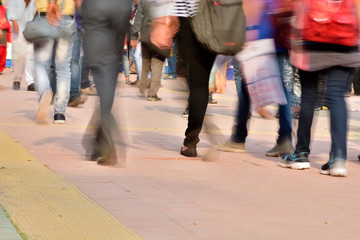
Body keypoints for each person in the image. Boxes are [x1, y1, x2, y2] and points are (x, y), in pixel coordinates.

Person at [278, 0, 360, 177]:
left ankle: (301, 153)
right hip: (344, 39)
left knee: (308, 95)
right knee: (337, 96)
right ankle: (338, 158)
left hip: (311, 38)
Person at [219, 0, 294, 156]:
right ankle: (285, 139)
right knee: (284, 89)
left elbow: (252, 4)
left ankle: (238, 138)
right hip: (280, 37)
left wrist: (250, 31)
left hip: (261, 35)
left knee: (246, 87)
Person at [80, 0, 132, 166]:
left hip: (98, 16)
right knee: (107, 87)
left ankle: (108, 144)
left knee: (104, 84)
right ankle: (97, 141)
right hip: (120, 13)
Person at [34, 0, 78, 124]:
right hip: (67, 17)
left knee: (41, 63)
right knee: (63, 67)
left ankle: (44, 93)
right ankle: (60, 113)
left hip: (45, 14)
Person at [131, 0, 166, 101]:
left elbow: (138, 18)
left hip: (146, 36)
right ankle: (152, 94)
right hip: (160, 36)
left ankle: (142, 87)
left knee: (145, 63)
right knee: (157, 65)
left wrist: (134, 35)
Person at [7, 0, 36, 91]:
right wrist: (14, 20)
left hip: (31, 26)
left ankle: (30, 81)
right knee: (19, 54)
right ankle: (17, 79)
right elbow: (11, 6)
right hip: (18, 25)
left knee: (30, 54)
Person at [68, 6, 88, 107]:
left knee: (74, 61)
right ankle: (73, 94)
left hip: (68, 23)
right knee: (75, 61)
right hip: (74, 24)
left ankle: (73, 93)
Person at [0, 0, 11, 75]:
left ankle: (0, 69)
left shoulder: (3, 9)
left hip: (3, 33)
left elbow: (6, 20)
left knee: (3, 51)